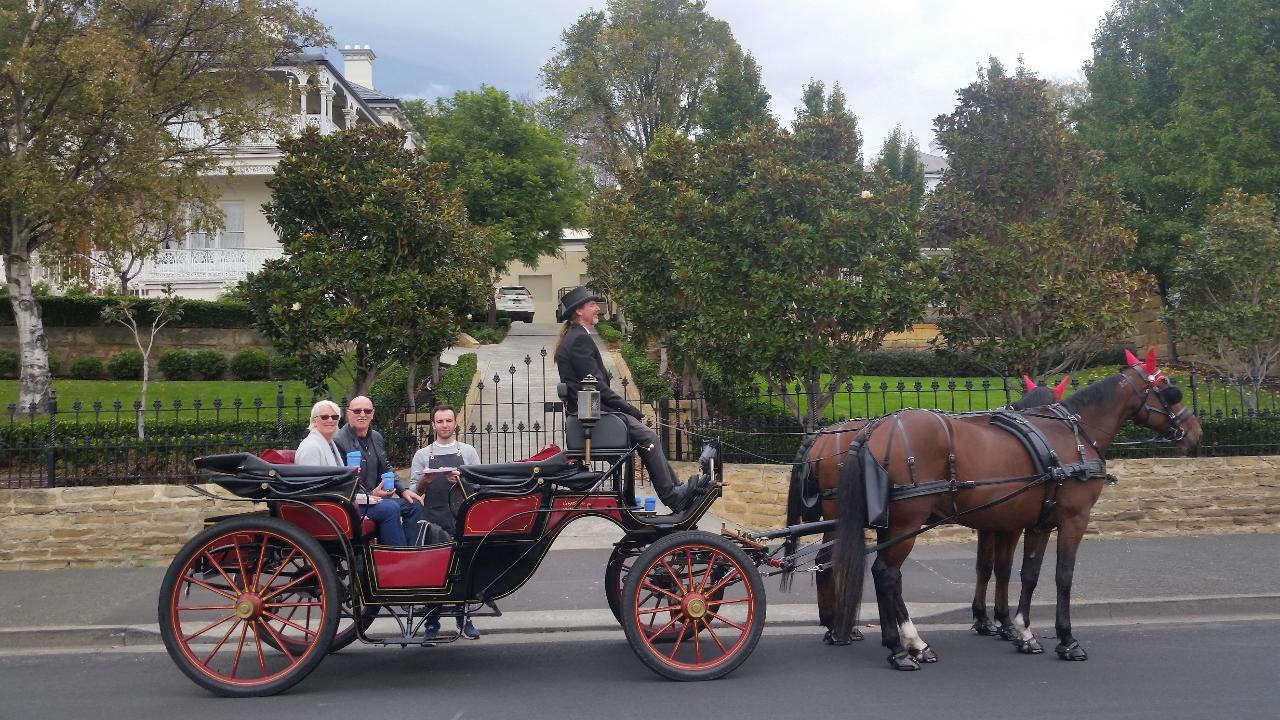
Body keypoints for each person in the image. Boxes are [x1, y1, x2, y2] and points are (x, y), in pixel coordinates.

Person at [553, 286, 708, 514]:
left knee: (646, 437)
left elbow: (595, 385)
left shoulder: (576, 337)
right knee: (648, 436)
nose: (598, 309)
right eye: (592, 305)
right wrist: (629, 408)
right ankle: (673, 495)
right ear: (579, 311)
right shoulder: (578, 339)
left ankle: (675, 490)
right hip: (592, 416)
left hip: (594, 413)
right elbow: (596, 387)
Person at [409, 404, 482, 639]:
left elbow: (479, 486)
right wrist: (425, 481)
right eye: (440, 421)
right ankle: (432, 622)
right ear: (433, 425)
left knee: (463, 569)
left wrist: (460, 481)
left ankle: (464, 618)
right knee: (433, 571)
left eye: (448, 421)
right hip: (433, 519)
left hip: (461, 517)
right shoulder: (422, 455)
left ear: (455, 423)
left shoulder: (468, 452)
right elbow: (413, 492)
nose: (445, 425)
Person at [333, 395, 424, 547]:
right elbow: (341, 483)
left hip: (375, 500)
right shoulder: (338, 441)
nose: (363, 414)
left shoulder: (376, 437)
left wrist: (403, 490)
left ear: (373, 414)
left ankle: (411, 552)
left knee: (414, 504)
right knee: (390, 507)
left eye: (367, 411)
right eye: (357, 411)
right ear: (348, 413)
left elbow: (386, 466)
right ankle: (396, 556)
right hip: (353, 503)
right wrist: (369, 495)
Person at [295, 400, 345, 466]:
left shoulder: (330, 444)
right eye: (324, 417)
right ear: (314, 421)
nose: (330, 420)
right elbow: (309, 473)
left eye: (334, 417)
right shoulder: (310, 448)